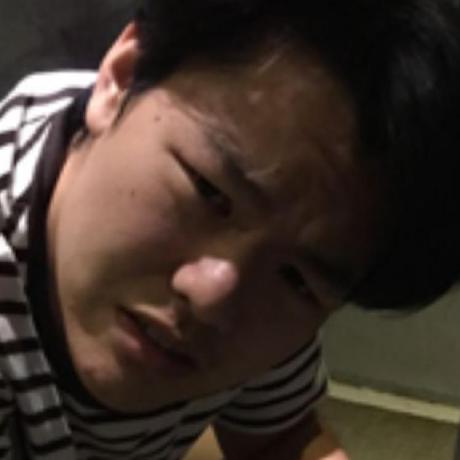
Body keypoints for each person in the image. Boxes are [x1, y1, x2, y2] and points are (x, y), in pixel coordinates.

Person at [0, 0, 460, 458]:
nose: (212, 299)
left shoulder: (266, 273)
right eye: (209, 191)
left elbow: (278, 436)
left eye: (297, 279)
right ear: (122, 76)